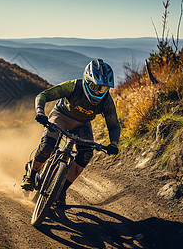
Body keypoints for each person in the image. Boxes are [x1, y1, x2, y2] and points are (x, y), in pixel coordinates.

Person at [21, 59, 121, 206]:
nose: (98, 92)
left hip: (82, 124)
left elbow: (113, 125)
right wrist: (40, 112)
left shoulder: (106, 101)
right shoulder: (74, 86)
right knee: (48, 144)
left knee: (86, 154)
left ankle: (61, 190)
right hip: (60, 115)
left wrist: (113, 143)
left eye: (104, 89)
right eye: (95, 87)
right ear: (87, 81)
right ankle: (31, 175)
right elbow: (43, 95)